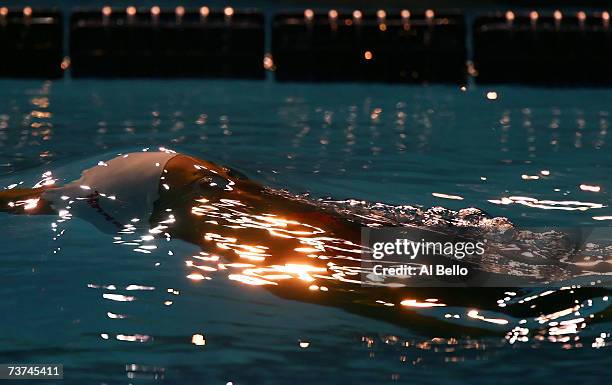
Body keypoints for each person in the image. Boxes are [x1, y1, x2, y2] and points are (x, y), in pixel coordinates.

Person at [1, 150, 608, 332]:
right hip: (183, 176)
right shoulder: (89, 192)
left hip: (192, 198)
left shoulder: (246, 247)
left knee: (345, 272)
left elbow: (346, 294)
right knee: (548, 257)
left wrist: (441, 327)